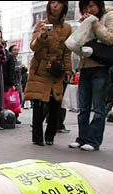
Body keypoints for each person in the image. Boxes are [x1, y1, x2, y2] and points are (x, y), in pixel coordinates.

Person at [69, 1, 113, 151]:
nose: (89, 10)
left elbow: (110, 38)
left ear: (99, 5)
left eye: (91, 6)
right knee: (83, 107)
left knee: (99, 107)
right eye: (85, 7)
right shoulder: (87, 20)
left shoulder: (110, 16)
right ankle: (82, 138)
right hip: (85, 67)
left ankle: (94, 141)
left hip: (101, 67)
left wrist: (95, 23)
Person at [25, 1, 72, 145]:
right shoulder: (40, 25)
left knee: (55, 103)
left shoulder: (67, 28)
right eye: (52, 2)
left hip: (57, 69)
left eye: (58, 3)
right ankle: (37, 137)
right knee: (38, 103)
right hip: (40, 68)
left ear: (64, 6)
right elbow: (33, 47)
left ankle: (50, 136)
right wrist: (42, 36)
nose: (55, 5)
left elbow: (67, 51)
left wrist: (68, 70)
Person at [6, 44, 22, 124]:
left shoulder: (18, 60)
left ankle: (16, 116)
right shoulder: (9, 58)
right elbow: (9, 69)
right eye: (14, 50)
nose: (16, 51)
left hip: (18, 82)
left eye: (17, 50)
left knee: (18, 100)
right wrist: (17, 68)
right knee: (11, 101)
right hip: (12, 82)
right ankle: (10, 117)